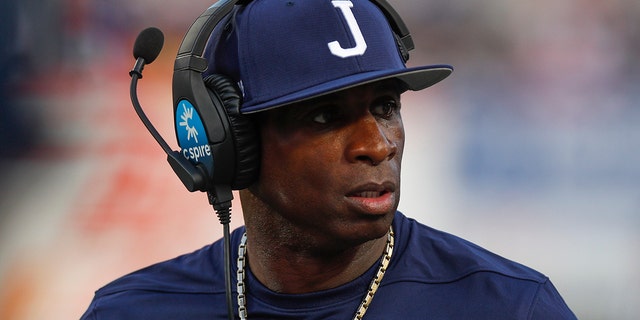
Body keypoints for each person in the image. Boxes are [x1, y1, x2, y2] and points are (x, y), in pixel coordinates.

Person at [81, 0, 577, 319]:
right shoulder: (132, 310)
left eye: (386, 106)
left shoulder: (510, 308)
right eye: (324, 116)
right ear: (229, 141)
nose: (378, 144)